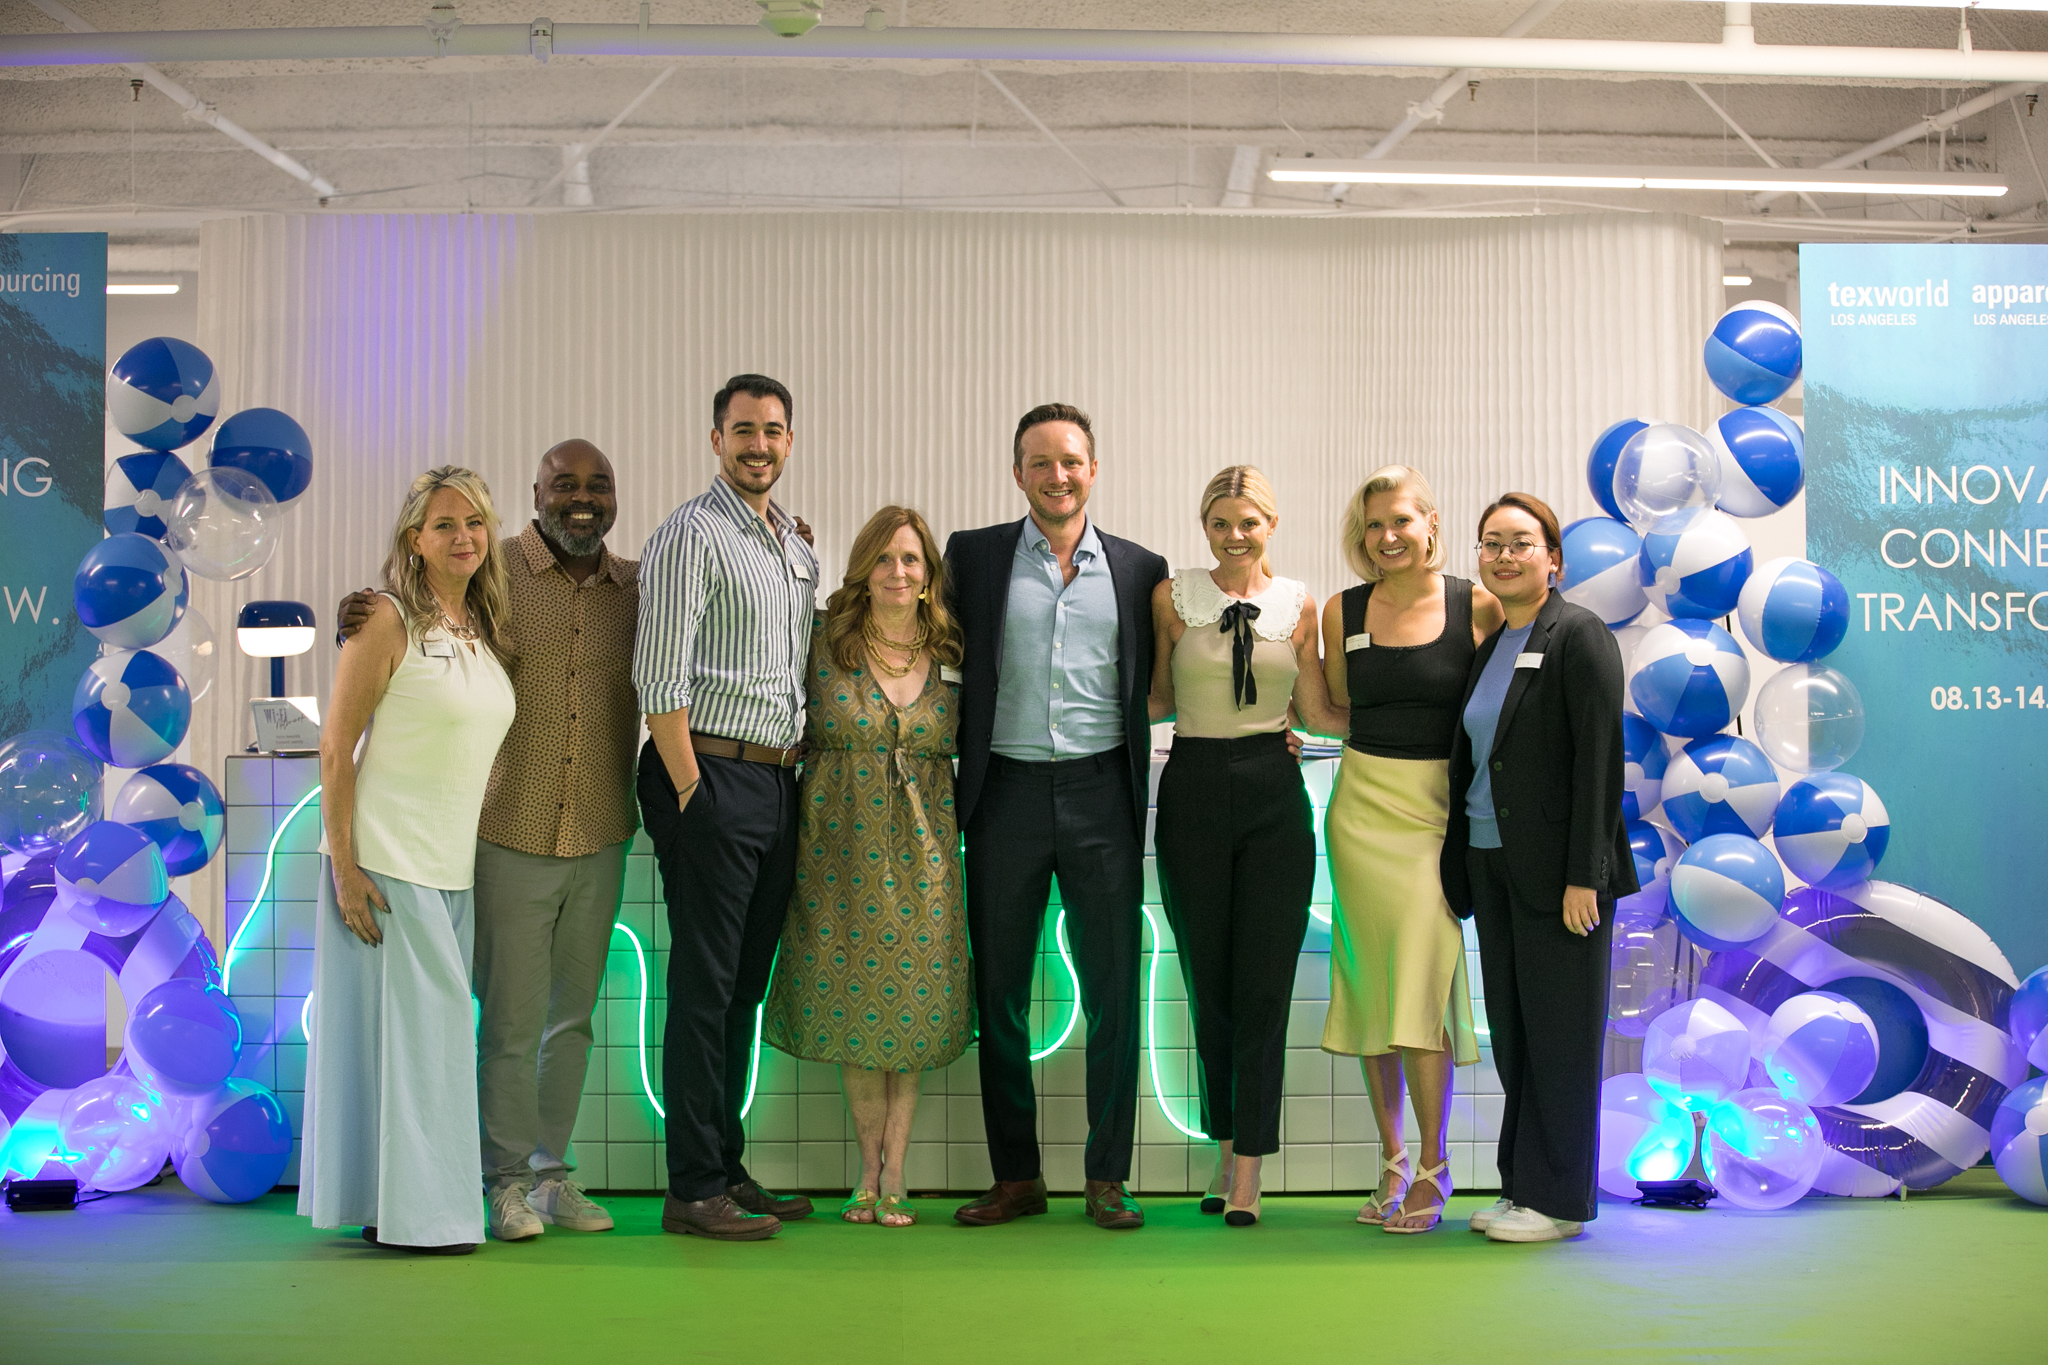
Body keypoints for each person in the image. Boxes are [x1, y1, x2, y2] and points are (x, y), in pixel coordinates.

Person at [337, 439, 639, 1243]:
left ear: (614, 496)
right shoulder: (495, 572)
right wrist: (360, 610)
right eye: (562, 484)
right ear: (535, 494)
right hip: (507, 830)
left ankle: (549, 1174)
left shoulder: (638, 587)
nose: (582, 497)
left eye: (597, 485)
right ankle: (501, 1182)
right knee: (507, 1022)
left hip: (601, 827)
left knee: (571, 1020)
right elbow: (410, 607)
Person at [945, 402, 1167, 1231]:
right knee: (998, 992)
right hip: (1001, 792)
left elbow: (1177, 673)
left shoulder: (1144, 569)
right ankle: (1017, 1177)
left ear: (1093, 469)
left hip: (1102, 793)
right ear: (1018, 474)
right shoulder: (972, 557)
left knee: (1114, 990)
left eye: (1071, 460)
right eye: (1040, 462)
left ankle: (1107, 1176)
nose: (1058, 475)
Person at [301, 466, 518, 1255]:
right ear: (414, 540)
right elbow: (335, 748)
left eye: (475, 522)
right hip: (387, 865)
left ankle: (390, 1204)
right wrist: (346, 867)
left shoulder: (478, 625)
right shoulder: (387, 618)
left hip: (448, 867)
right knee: (427, 1049)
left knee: (416, 1049)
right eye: (444, 524)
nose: (463, 535)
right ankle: (429, 1220)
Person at [635, 374, 822, 1241]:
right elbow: (659, 677)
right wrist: (687, 791)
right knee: (704, 990)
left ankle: (727, 1163)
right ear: (716, 439)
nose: (758, 444)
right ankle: (691, 1186)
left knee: (742, 988)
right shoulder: (692, 534)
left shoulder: (791, 542)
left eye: (773, 430)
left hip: (776, 781)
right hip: (707, 770)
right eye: (742, 430)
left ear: (789, 440)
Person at [762, 506, 972, 1229]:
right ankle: (867, 1171)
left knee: (909, 1015)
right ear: (862, 569)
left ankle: (898, 1173)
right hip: (837, 852)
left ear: (928, 574)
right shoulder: (824, 641)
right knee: (857, 1013)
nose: (898, 571)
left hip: (928, 861)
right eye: (883, 559)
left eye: (911, 559)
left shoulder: (953, 648)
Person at [1147, 466, 1346, 1228]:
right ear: (1205, 527)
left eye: (1249, 522)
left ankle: (1252, 1170)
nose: (1235, 535)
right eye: (1221, 522)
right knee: (1208, 983)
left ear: (1272, 522)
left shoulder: (1300, 605)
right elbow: (1158, 698)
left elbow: (1321, 710)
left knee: (1264, 987)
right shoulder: (1171, 597)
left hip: (1273, 790)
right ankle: (1223, 1146)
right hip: (1192, 784)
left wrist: (1415, 729)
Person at [1442, 491, 1636, 1244]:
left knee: (1561, 1036)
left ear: (1553, 558)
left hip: (1562, 879)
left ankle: (1559, 1203)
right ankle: (1523, 1185)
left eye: (1521, 542)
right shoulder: (1493, 643)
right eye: (1491, 543)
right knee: (1517, 1032)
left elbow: (1599, 764)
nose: (1503, 555)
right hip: (1492, 863)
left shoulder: (1580, 636)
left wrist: (1585, 873)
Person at [1319, 465, 1502, 1235]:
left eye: (1400, 519)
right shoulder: (1341, 610)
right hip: (1361, 809)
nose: (1387, 535)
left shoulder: (1479, 604)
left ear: (1431, 521)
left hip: (1437, 812)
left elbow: (1502, 708)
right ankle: (1392, 1158)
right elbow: (1331, 705)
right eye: (1372, 525)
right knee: (1372, 985)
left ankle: (1435, 1164)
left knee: (1420, 982)